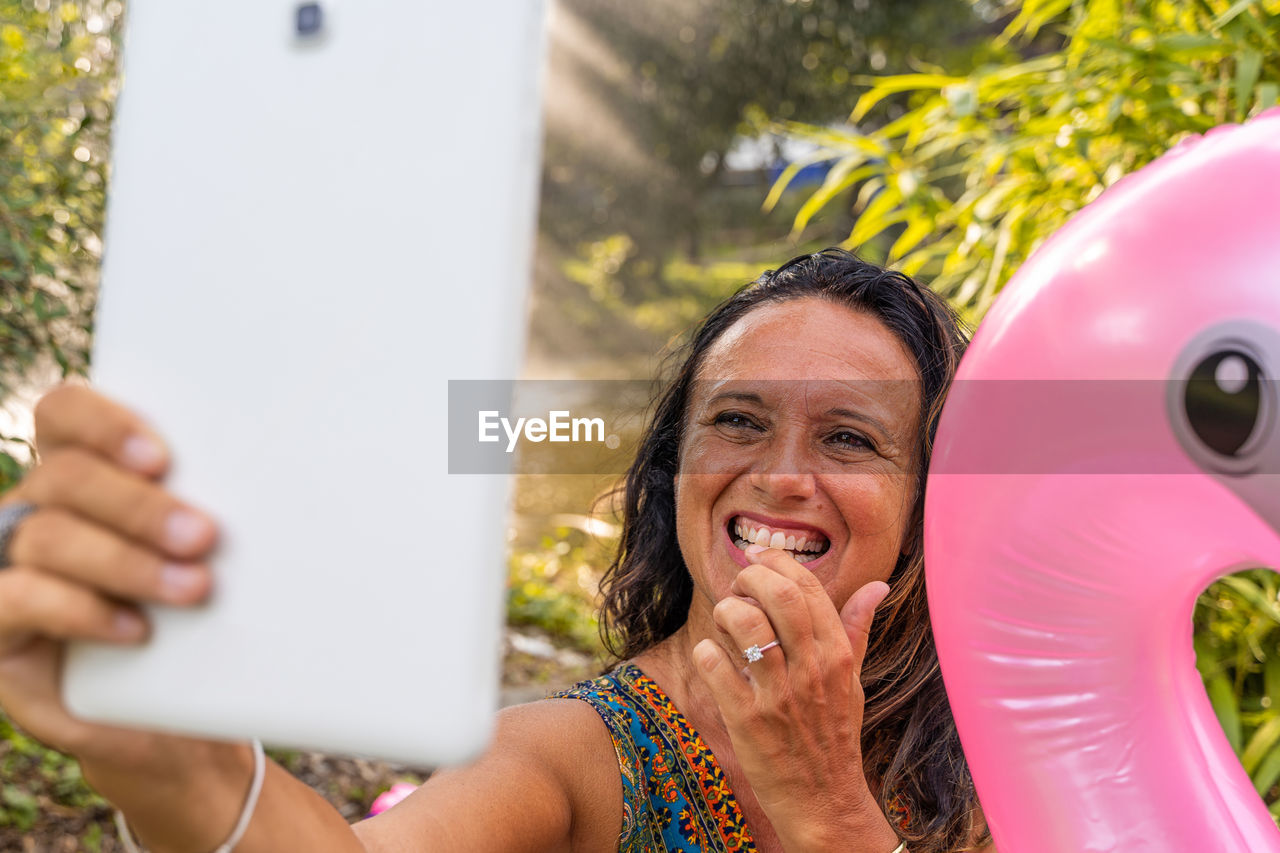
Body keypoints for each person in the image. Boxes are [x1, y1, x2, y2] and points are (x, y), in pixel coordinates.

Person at [0, 248, 992, 852]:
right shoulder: (577, 755)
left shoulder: (1003, 733)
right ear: (670, 469)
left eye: (849, 438)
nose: (780, 474)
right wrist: (172, 759)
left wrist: (827, 811)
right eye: (736, 420)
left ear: (927, 497)